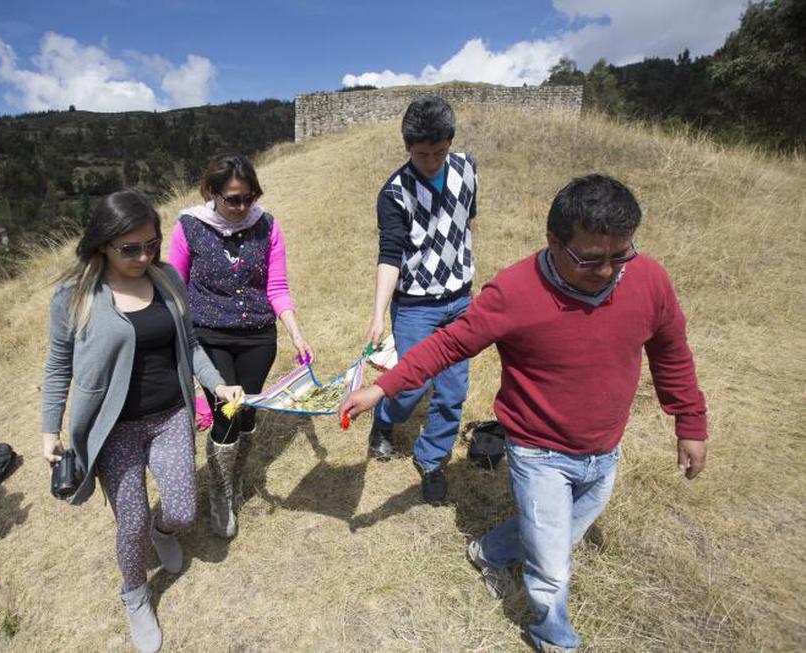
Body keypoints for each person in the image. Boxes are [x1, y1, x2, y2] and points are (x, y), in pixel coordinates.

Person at [341, 175, 708, 653]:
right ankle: (553, 637)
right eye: (590, 258)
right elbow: (450, 344)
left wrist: (690, 423)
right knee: (552, 566)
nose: (607, 271)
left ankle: (489, 550)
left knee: (559, 532)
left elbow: (671, 351)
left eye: (621, 254)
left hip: (604, 449)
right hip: (539, 452)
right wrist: (384, 388)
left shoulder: (650, 280)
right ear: (554, 242)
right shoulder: (515, 290)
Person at [41, 190, 243, 653]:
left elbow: (190, 345)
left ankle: (163, 531)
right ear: (102, 245)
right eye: (129, 248)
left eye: (151, 243)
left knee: (182, 509)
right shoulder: (75, 295)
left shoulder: (168, 278)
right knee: (128, 522)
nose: (143, 255)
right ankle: (134, 594)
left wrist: (216, 385)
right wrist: (49, 430)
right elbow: (58, 366)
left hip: (171, 415)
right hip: (114, 430)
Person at [169, 153, 312, 538]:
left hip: (258, 338)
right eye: (233, 199)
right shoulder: (188, 227)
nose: (242, 207)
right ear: (212, 193)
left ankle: (236, 475)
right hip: (209, 336)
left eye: (249, 198)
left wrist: (296, 332)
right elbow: (176, 292)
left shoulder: (267, 227)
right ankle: (219, 491)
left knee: (248, 413)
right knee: (225, 412)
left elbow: (276, 287)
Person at [363, 95, 479, 505]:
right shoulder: (394, 193)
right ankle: (384, 420)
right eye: (421, 154)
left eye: (439, 152)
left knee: (452, 389)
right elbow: (390, 255)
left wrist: (460, 268)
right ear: (407, 147)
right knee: (413, 382)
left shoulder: (467, 170)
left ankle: (432, 460)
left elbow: (466, 222)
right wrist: (379, 314)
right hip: (415, 305)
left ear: (450, 143)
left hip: (461, 300)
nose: (431, 161)